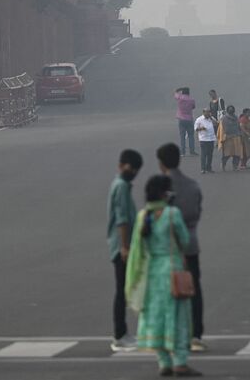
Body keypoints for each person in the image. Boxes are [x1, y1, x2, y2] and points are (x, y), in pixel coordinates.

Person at [125, 175, 200, 377]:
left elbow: (138, 250)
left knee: (156, 317)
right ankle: (180, 363)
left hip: (152, 274)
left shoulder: (143, 216)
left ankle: (164, 362)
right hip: (173, 270)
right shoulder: (172, 214)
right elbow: (184, 241)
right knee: (178, 318)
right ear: (164, 193)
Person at [158, 144, 207, 353]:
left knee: (168, 292)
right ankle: (196, 335)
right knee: (193, 289)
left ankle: (172, 333)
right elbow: (197, 212)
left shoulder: (160, 188)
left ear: (161, 164)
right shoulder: (192, 185)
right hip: (191, 244)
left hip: (168, 249)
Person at [106, 149, 142, 352]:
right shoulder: (120, 187)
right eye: (131, 168)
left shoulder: (124, 185)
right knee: (121, 291)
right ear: (121, 166)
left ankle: (123, 332)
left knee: (124, 290)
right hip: (122, 247)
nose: (133, 172)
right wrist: (125, 246)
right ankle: (119, 335)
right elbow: (121, 219)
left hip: (124, 245)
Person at [217, 104, 245, 171]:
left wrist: (241, 134)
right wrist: (222, 139)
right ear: (227, 111)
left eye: (232, 110)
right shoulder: (224, 119)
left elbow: (239, 127)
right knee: (227, 154)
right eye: (230, 110)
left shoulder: (236, 118)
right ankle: (223, 165)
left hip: (236, 137)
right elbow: (221, 129)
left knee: (237, 154)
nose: (231, 111)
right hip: (228, 138)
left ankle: (235, 167)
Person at [175, 88, 197, 156]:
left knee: (182, 136)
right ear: (188, 93)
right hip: (189, 119)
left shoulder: (179, 98)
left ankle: (183, 152)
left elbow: (175, 93)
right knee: (191, 136)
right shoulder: (191, 100)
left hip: (181, 118)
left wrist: (178, 90)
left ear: (182, 92)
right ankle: (192, 151)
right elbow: (193, 107)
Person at [194, 109, 217, 174]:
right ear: (203, 112)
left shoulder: (211, 118)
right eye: (207, 112)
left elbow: (216, 124)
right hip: (203, 139)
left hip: (211, 138)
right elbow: (196, 129)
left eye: (209, 112)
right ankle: (203, 168)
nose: (208, 113)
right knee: (204, 154)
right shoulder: (199, 119)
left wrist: (211, 118)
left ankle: (208, 168)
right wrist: (202, 128)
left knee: (210, 154)